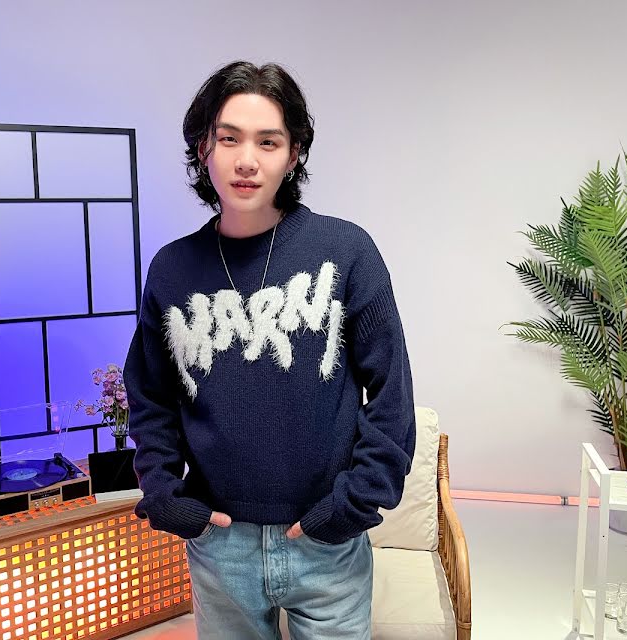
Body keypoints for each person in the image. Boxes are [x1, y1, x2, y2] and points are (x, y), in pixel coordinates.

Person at [124, 60, 415, 639]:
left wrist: (354, 504)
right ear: (204, 148)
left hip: (325, 543)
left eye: (268, 141)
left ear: (294, 153)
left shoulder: (346, 251)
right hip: (220, 545)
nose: (246, 160)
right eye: (229, 138)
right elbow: (150, 395)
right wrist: (164, 494)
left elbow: (392, 393)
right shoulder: (172, 268)